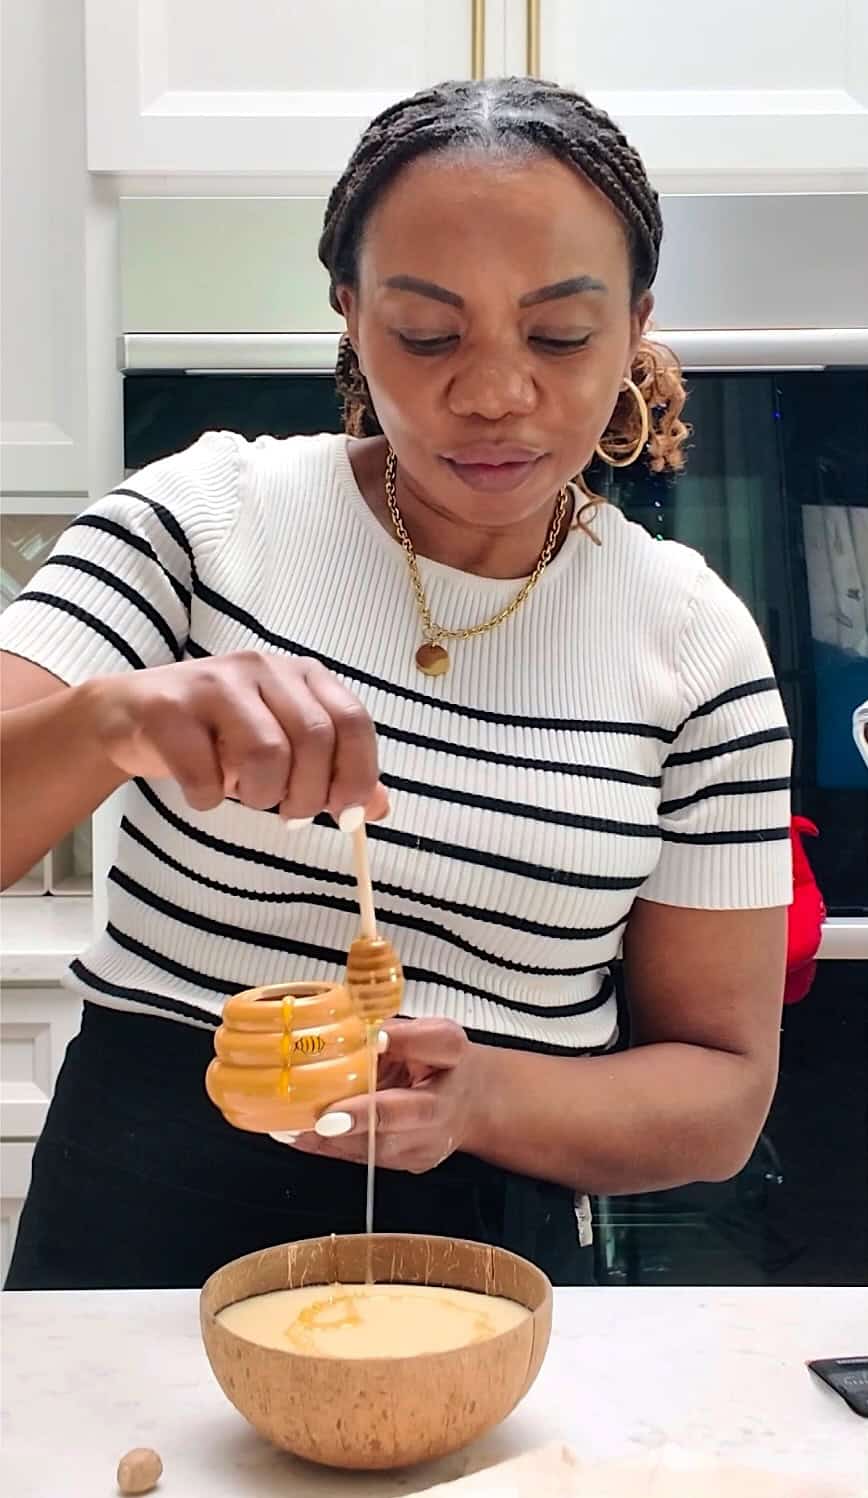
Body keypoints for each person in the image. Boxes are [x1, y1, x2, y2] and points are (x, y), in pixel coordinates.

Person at [0, 77, 792, 1290]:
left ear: (634, 324)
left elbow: (720, 1092)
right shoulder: (202, 522)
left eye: (561, 337)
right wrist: (114, 718)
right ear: (349, 315)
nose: (493, 393)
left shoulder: (696, 648)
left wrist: (478, 1097)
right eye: (427, 334)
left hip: (492, 1245)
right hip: (142, 1221)